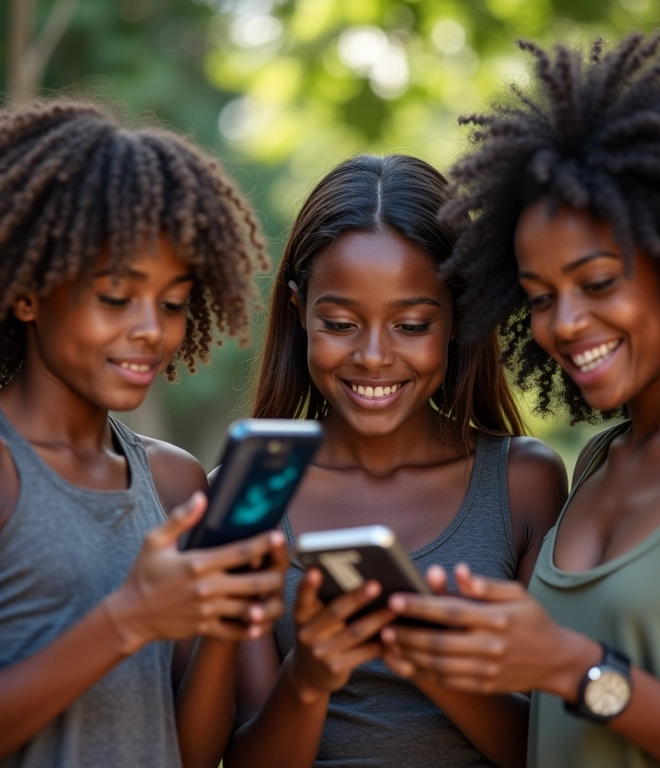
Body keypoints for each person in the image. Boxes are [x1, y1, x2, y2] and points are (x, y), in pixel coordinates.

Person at [378, 32, 660, 768]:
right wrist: (436, 649)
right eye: (539, 298)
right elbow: (556, 732)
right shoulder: (597, 462)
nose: (565, 325)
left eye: (596, 284)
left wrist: (572, 668)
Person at [221, 154, 567, 768]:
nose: (374, 356)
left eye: (410, 324)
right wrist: (307, 677)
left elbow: (549, 748)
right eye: (340, 323)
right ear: (299, 312)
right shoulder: (254, 490)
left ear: (458, 317)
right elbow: (241, 755)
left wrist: (427, 657)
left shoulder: (524, 483)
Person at [0, 97, 290, 768]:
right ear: (25, 292)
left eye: (173, 303)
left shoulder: (175, 480)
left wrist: (219, 617)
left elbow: (188, 754)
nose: (151, 331)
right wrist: (132, 615)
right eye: (114, 298)